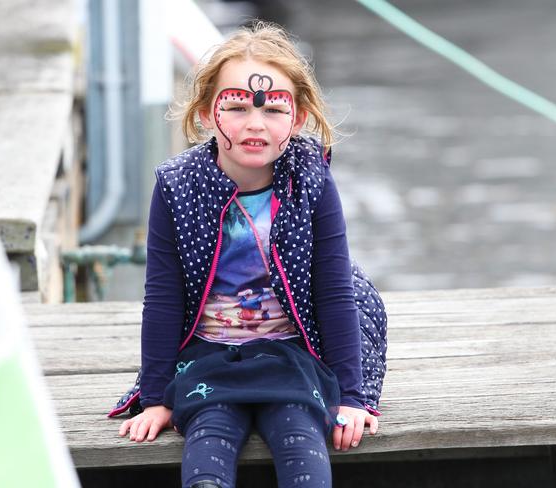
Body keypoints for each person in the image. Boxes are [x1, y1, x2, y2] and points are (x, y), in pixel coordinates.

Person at [113, 21, 387, 488]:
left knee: (302, 440)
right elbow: (162, 297)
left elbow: (334, 291)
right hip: (207, 357)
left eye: (274, 110)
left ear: (297, 119)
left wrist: (353, 397)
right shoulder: (177, 186)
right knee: (207, 446)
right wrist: (157, 396)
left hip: (293, 355)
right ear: (205, 113)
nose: (255, 123)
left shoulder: (312, 181)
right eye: (236, 106)